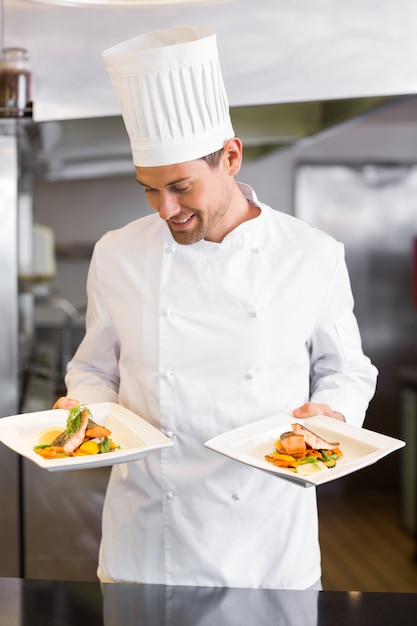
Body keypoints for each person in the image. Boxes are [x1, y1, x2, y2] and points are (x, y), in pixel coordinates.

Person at [53, 25, 377, 589]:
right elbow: (93, 368)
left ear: (230, 157)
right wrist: (85, 410)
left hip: (266, 540)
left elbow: (345, 371)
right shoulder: (116, 254)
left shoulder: (312, 254)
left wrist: (335, 415)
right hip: (148, 539)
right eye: (149, 189)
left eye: (180, 186)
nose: (165, 209)